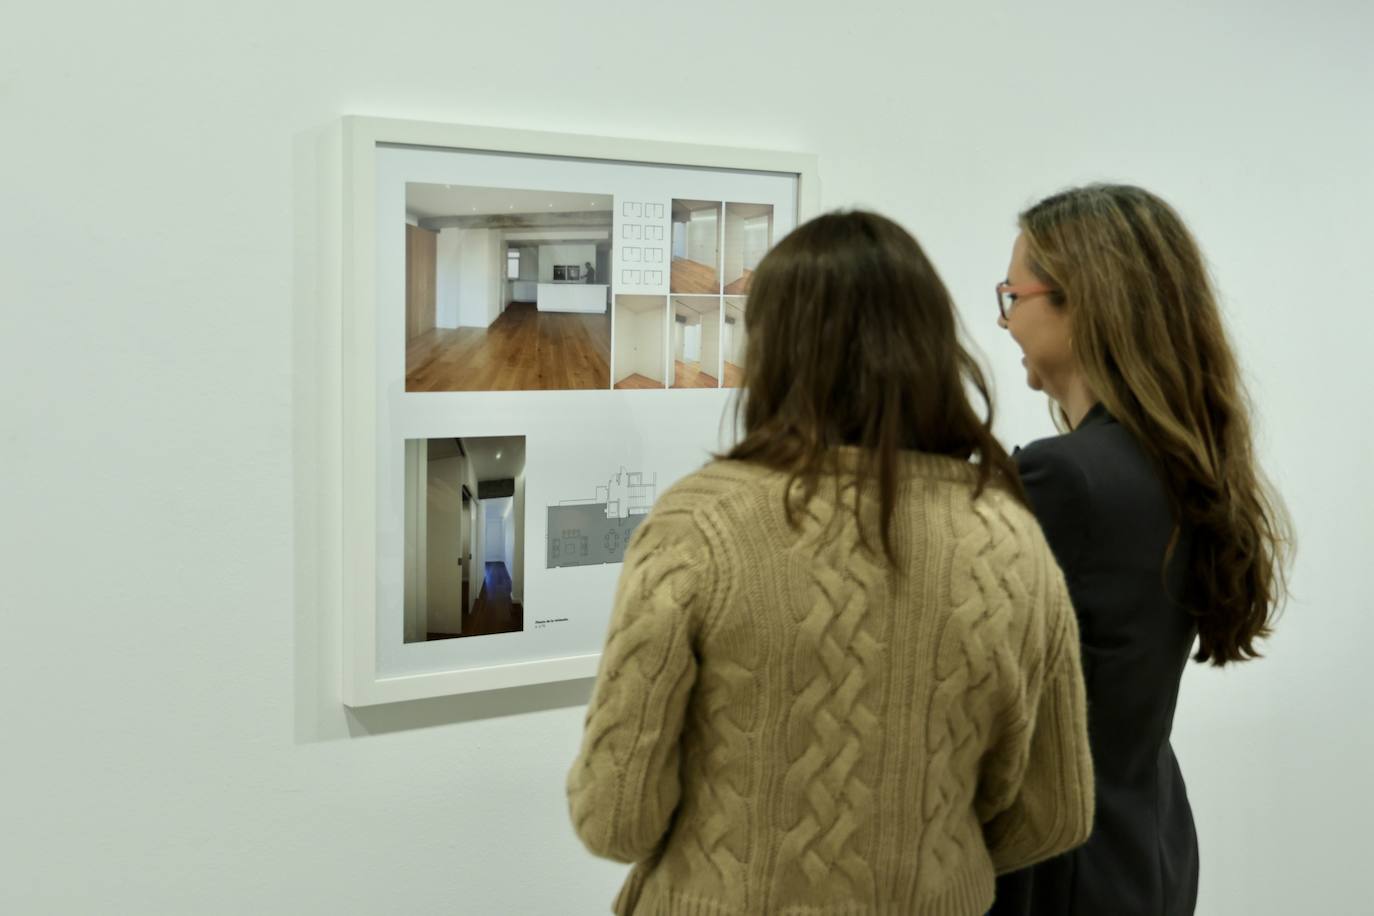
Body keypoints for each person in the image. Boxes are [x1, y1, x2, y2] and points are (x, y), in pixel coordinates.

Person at [567, 210, 1094, 915]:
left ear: (772, 350)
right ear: (933, 346)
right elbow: (1055, 810)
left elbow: (616, 817)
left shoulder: (698, 526)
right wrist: (915, 857)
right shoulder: (1010, 539)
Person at [989, 184, 1292, 916]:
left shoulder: (1066, 477)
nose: (1004, 323)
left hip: (1057, 871)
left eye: (1013, 295)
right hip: (1145, 843)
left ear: (1079, 302)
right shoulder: (1179, 463)